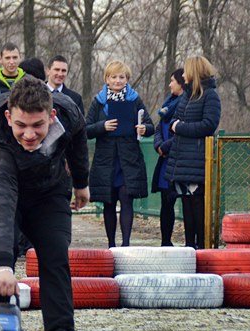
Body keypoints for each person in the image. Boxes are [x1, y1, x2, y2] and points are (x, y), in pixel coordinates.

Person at [0, 76, 90, 331]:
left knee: (54, 252)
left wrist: (81, 182)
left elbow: (78, 140)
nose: (29, 134)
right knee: (1, 248)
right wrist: (4, 265)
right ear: (8, 117)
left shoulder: (69, 112)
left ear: (51, 116)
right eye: (21, 126)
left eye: (37, 125)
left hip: (49, 190)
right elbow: (1, 205)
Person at [86, 60, 154, 248]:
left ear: (127, 79)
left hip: (128, 160)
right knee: (109, 203)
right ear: (106, 79)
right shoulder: (98, 102)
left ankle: (125, 244)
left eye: (121, 77)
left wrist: (143, 129)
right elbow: (85, 129)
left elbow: (150, 126)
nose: (118, 80)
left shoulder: (134, 100)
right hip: (105, 161)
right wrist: (102, 126)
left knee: (126, 200)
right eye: (114, 77)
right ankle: (111, 245)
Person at [165, 56, 221, 249]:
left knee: (198, 206)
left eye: (187, 71)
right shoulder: (186, 96)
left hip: (197, 160)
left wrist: (180, 127)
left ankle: (202, 247)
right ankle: (190, 248)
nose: (183, 75)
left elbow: (208, 125)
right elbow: (174, 122)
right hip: (182, 160)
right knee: (187, 207)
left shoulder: (210, 95)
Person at [151, 68, 185, 246]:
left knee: (184, 201)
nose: (170, 84)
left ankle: (190, 243)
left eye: (173, 80)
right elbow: (158, 128)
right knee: (166, 202)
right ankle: (166, 241)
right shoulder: (168, 104)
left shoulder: (185, 103)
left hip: (179, 160)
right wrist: (158, 145)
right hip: (164, 160)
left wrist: (165, 146)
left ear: (181, 83)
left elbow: (181, 132)